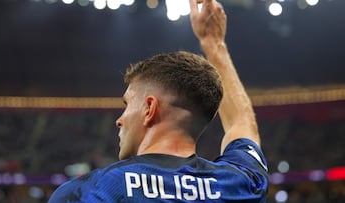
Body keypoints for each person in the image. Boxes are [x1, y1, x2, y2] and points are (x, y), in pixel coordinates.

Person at [48, 0, 269, 202]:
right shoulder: (241, 184)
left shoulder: (91, 191)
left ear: (150, 108)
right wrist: (214, 44)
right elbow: (242, 124)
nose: (119, 120)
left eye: (127, 105)